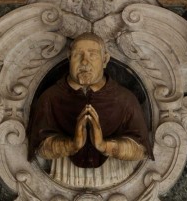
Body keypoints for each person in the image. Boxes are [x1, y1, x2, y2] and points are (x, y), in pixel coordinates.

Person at [27, 33, 152, 187]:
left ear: (105, 59)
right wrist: (71, 145)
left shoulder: (125, 100)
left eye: (92, 55)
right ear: (68, 58)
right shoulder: (50, 98)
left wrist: (104, 145)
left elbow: (140, 148)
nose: (84, 62)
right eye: (78, 55)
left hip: (114, 178)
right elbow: (39, 147)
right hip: (62, 177)